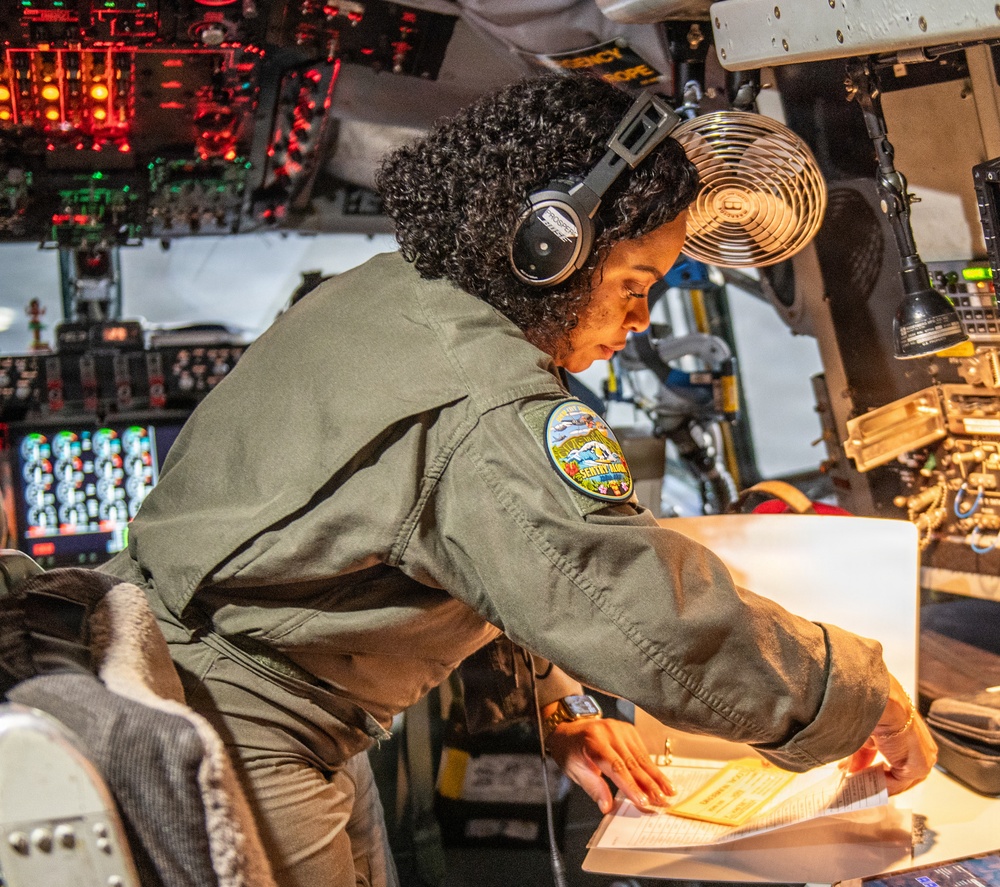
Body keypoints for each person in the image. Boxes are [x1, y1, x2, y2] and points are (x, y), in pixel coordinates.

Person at [99, 71, 936, 887]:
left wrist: (560, 706)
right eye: (635, 285)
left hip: (236, 690)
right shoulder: (487, 401)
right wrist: (862, 699)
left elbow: (459, 551)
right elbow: (632, 600)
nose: (641, 318)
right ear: (550, 246)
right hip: (250, 725)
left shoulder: (397, 296)